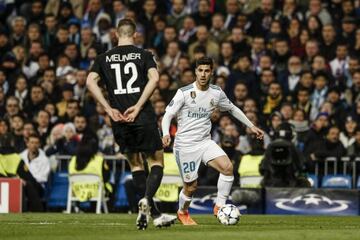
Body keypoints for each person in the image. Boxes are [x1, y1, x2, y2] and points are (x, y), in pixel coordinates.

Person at [86, 18, 176, 229]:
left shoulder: (103, 58)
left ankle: (154, 213)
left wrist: (108, 109)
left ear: (116, 35)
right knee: (156, 162)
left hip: (119, 119)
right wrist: (137, 106)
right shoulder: (144, 55)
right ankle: (147, 201)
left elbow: (90, 82)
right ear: (135, 35)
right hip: (142, 116)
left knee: (135, 164)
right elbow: (154, 79)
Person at [162, 57, 264, 225]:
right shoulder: (184, 92)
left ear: (211, 72)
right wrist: (166, 133)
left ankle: (219, 206)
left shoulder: (216, 93)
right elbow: (168, 115)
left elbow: (232, 108)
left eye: (206, 71)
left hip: (205, 142)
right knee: (191, 187)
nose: (203, 74)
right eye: (200, 70)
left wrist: (251, 126)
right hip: (185, 146)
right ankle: (182, 212)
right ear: (195, 71)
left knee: (227, 168)